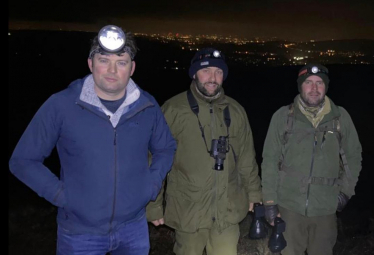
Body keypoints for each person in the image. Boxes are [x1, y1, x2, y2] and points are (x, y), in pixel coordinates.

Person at [9, 25, 176, 255]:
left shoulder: (147, 106)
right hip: (79, 232)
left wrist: (152, 185)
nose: (112, 69)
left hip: (133, 228)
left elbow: (165, 147)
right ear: (90, 63)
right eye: (103, 59)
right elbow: (23, 160)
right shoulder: (62, 105)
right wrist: (61, 195)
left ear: (132, 68)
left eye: (121, 61)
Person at [146, 48, 262, 255]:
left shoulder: (236, 111)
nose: (212, 78)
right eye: (206, 71)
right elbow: (155, 160)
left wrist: (254, 193)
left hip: (227, 210)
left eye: (218, 72)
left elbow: (246, 158)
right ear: (194, 74)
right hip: (188, 211)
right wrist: (153, 205)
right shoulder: (173, 109)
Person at [261, 63, 362, 255]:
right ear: (300, 86)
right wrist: (270, 201)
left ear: (326, 86)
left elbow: (354, 157)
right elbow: (270, 161)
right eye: (308, 82)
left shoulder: (340, 117)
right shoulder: (283, 117)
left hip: (325, 208)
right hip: (289, 206)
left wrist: (346, 192)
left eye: (319, 83)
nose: (314, 88)